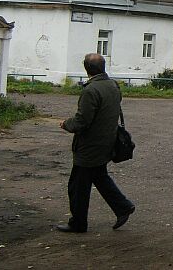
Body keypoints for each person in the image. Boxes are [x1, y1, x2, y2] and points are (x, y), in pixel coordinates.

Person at [57, 53, 135, 233]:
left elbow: (82, 121)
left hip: (89, 145)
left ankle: (78, 223)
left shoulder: (90, 90)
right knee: (99, 177)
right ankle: (123, 207)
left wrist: (66, 124)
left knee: (77, 186)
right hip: (107, 140)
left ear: (86, 68)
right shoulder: (113, 85)